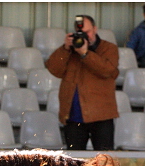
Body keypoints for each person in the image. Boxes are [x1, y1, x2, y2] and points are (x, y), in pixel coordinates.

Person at [46, 15, 119, 151]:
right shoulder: (70, 51)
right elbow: (53, 68)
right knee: (74, 162)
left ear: (95, 29)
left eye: (88, 32)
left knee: (104, 162)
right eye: (81, 33)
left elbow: (107, 70)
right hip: (73, 117)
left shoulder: (108, 48)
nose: (85, 36)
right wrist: (65, 48)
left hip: (101, 117)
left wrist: (85, 53)